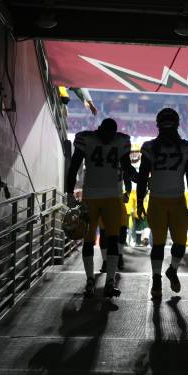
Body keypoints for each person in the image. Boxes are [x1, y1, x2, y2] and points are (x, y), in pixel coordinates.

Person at [66, 118, 137, 298]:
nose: (108, 138)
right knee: (89, 240)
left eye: (111, 135)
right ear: (100, 129)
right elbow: (74, 166)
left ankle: (109, 281)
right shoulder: (92, 139)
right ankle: (90, 280)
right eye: (106, 134)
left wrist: (142, 180)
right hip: (97, 197)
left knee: (111, 239)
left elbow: (127, 167)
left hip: (107, 197)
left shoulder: (93, 139)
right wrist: (69, 192)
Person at [137, 108, 188, 300]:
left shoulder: (151, 147)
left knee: (178, 244)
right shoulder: (184, 147)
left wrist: (139, 200)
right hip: (162, 200)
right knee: (161, 244)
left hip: (171, 200)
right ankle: (156, 278)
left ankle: (171, 271)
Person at [99, 170, 132, 272]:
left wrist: (127, 191)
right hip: (102, 198)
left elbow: (127, 175)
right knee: (104, 232)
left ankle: (120, 255)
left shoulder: (120, 158)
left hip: (118, 197)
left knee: (122, 228)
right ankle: (105, 261)